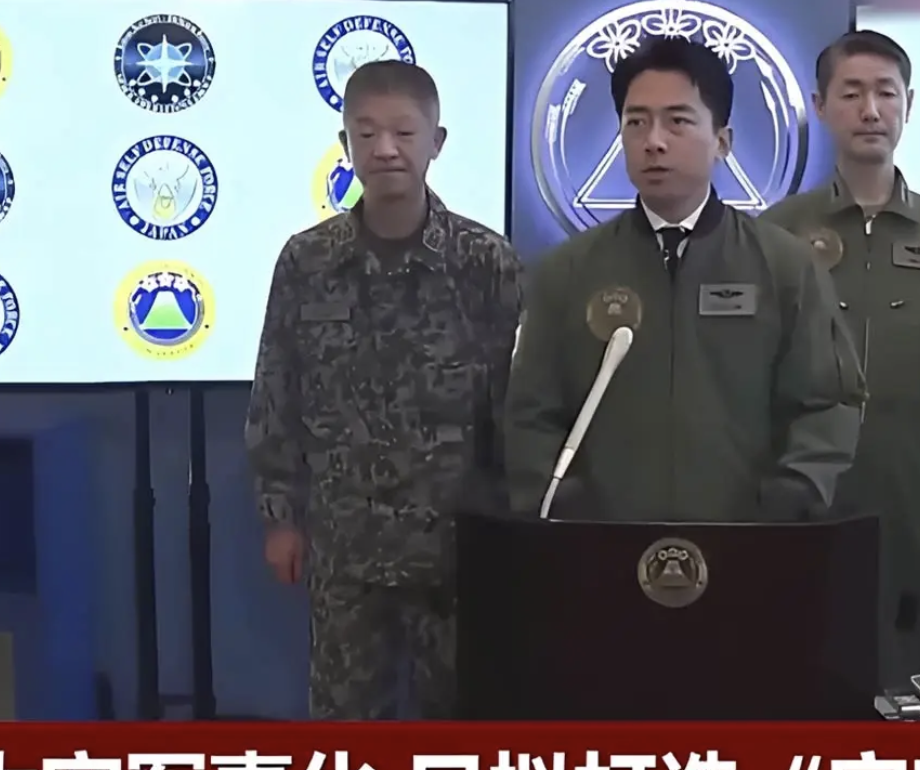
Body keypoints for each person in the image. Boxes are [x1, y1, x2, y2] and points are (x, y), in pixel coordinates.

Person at [245, 60, 520, 720]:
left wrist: (515, 525)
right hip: (347, 547)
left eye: (404, 132)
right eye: (366, 134)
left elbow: (516, 404)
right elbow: (278, 387)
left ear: (437, 142)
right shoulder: (307, 261)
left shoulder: (485, 262)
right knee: (346, 726)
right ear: (345, 146)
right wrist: (280, 516)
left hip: (456, 548)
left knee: (459, 723)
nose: (386, 149)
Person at [503, 37, 864, 523]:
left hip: (751, 544)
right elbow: (530, 413)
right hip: (601, 546)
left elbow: (827, 403)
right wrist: (565, 505)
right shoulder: (566, 272)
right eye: (636, 122)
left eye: (677, 121)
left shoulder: (785, 267)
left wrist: (789, 497)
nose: (654, 141)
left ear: (722, 141)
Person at [761, 31, 920, 686]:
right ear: (821, 106)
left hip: (910, 497)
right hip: (802, 495)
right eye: (852, 93)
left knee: (903, 672)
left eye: (885, 93)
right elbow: (748, 377)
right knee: (795, 667)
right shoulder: (779, 231)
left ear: (909, 105)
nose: (870, 110)